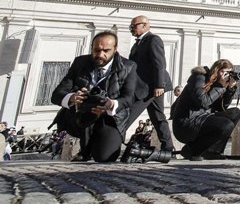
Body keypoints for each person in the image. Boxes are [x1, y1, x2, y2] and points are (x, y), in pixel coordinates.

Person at [50, 31, 144, 162]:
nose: (100, 55)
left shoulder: (129, 67)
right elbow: (56, 94)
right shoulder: (80, 62)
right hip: (82, 117)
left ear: (115, 49)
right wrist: (72, 97)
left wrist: (111, 104)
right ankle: (85, 147)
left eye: (106, 50)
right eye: (96, 50)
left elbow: (128, 98)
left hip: (111, 118)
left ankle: (96, 144)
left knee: (104, 156)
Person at [170, 59, 240, 160]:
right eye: (224, 72)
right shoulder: (199, 78)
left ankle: (213, 151)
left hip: (203, 119)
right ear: (216, 70)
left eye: (229, 73)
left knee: (235, 113)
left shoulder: (217, 84)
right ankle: (191, 150)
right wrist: (221, 86)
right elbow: (203, 102)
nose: (226, 76)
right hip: (186, 123)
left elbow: (221, 107)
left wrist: (229, 89)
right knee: (226, 125)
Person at [126, 15, 174, 153]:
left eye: (134, 26)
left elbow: (159, 63)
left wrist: (160, 85)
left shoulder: (153, 39)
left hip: (150, 87)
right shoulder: (138, 43)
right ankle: (168, 148)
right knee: (158, 117)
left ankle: (113, 144)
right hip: (146, 86)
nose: (131, 29)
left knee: (129, 115)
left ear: (145, 25)